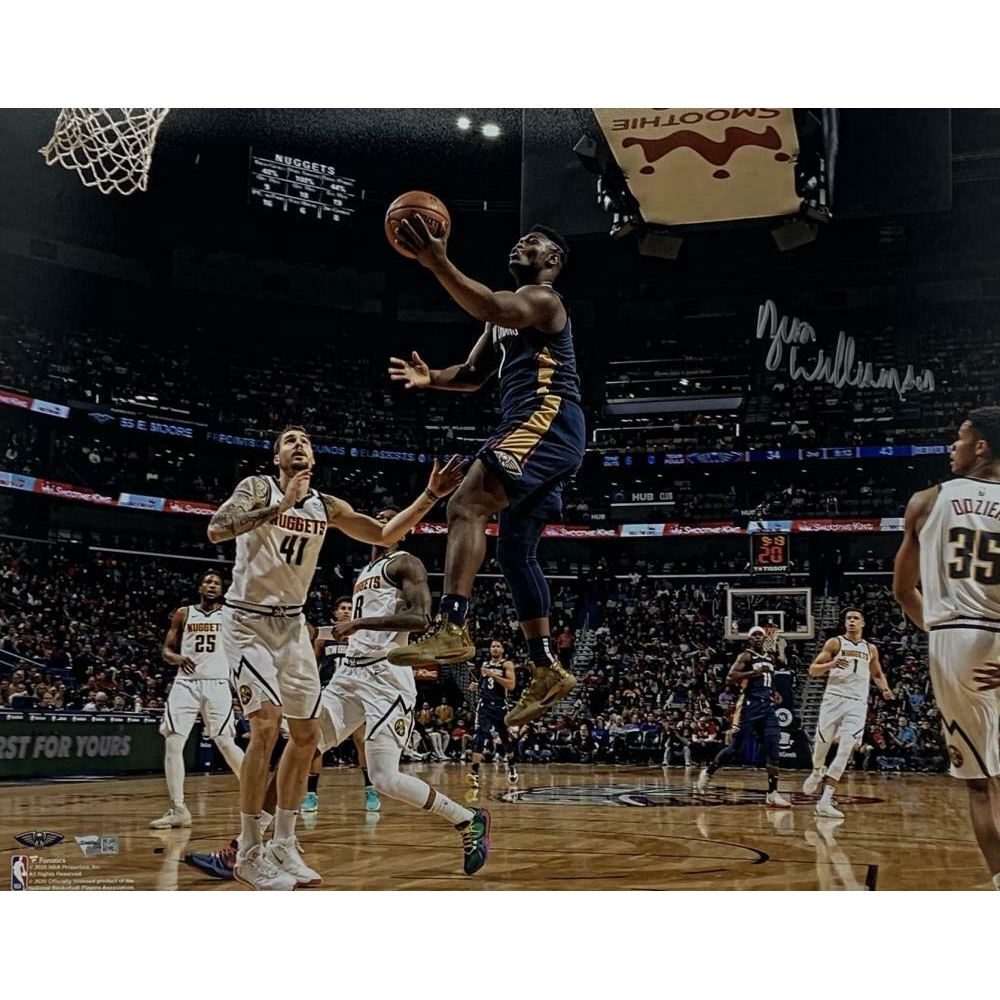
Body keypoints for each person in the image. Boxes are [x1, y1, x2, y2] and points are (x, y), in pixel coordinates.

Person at [207, 425, 463, 890]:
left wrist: (429, 495)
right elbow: (216, 529)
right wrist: (277, 507)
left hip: (291, 625)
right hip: (247, 621)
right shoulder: (256, 487)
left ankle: (283, 842)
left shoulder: (327, 506)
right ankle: (248, 851)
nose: (298, 444)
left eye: (304, 439)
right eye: (289, 439)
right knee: (266, 726)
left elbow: (386, 534)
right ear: (276, 456)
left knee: (305, 739)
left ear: (314, 457)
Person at [385, 221, 584, 726]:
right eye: (518, 239)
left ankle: (452, 623)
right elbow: (473, 375)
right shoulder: (502, 322)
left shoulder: (541, 299)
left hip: (546, 414)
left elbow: (493, 305)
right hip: (539, 424)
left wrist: (436, 262)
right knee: (516, 553)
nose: (521, 243)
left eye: (534, 242)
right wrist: (432, 378)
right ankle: (544, 666)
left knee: (465, 504)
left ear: (554, 260)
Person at [317, 509, 491, 876]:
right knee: (303, 745)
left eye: (389, 519)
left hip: (386, 677)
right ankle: (262, 843)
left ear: (402, 531)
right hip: (349, 672)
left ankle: (467, 818)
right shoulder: (364, 572)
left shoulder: (405, 564)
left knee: (384, 778)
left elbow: (421, 619)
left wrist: (359, 622)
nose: (380, 523)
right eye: (376, 518)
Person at [894, 407, 1000, 891]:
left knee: (980, 784)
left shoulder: (925, 501)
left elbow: (903, 591)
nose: (951, 447)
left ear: (981, 446)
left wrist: (939, 633)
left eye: (959, 438)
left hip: (955, 638)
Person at [150, 569, 244, 829]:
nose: (212, 585)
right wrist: (176, 657)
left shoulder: (230, 614)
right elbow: (166, 650)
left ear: (222, 590)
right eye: (207, 581)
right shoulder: (184, 613)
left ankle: (256, 793)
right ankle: (179, 809)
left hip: (217, 682)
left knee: (226, 742)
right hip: (186, 683)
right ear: (199, 587)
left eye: (216, 583)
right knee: (173, 742)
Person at [803, 608, 892, 818]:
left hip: (857, 703)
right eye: (848, 618)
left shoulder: (870, 648)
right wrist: (832, 664)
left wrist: (885, 688)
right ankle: (817, 771)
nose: (851, 621)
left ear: (863, 623)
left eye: (856, 618)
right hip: (834, 698)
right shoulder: (835, 643)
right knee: (821, 747)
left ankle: (825, 802)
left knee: (846, 749)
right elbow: (812, 670)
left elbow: (877, 673)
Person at [302, 596, 380, 814]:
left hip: (354, 693)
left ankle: (370, 789)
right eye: (342, 608)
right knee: (316, 743)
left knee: (361, 739)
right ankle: (311, 794)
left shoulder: (361, 637)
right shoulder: (324, 637)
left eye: (350, 608)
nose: (346, 611)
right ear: (335, 612)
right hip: (328, 690)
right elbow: (313, 664)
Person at [695, 627, 790, 808]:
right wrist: (752, 673)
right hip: (749, 706)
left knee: (773, 747)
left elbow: (768, 680)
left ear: (765, 638)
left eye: (760, 634)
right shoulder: (746, 656)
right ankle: (708, 771)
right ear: (749, 639)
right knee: (735, 748)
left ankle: (773, 792)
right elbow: (730, 678)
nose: (757, 637)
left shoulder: (770, 658)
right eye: (753, 635)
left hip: (767, 707)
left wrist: (775, 693)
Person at [467, 639, 518, 787]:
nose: (495, 648)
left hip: (500, 707)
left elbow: (511, 685)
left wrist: (493, 675)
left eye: (498, 646)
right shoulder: (485, 665)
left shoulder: (507, 664)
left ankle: (512, 767)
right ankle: (474, 773)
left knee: (505, 739)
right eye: (493, 646)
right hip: (484, 706)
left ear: (502, 650)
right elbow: (485, 685)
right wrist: (476, 686)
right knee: (480, 736)